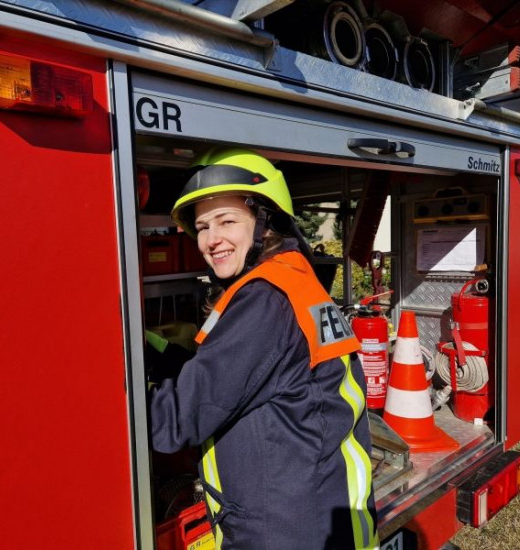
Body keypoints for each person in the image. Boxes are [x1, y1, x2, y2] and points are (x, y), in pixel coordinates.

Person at [149, 148, 378, 549]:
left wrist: (112, 400)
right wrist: (162, 355)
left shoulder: (264, 300)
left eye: (227, 221)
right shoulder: (291, 280)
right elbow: (242, 375)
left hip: (288, 531)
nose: (211, 240)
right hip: (318, 511)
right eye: (202, 227)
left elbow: (180, 418)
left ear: (265, 222)